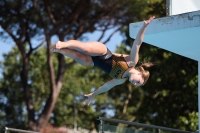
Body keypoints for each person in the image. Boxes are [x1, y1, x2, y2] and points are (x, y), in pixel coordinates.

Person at [51, 16, 155, 105]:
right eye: (138, 81)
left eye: (137, 84)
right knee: (85, 48)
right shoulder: (132, 61)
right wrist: (144, 27)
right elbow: (137, 43)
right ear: (140, 72)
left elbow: (106, 86)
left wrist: (94, 94)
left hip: (93, 62)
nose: (134, 84)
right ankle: (63, 44)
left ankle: (58, 49)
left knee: (77, 56)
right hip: (103, 52)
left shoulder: (121, 80)